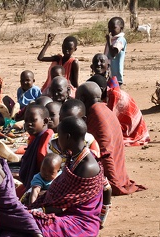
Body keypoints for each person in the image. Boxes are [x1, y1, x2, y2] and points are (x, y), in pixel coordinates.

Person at [76, 82, 146, 223]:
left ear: (83, 99)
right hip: (118, 173)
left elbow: (104, 152)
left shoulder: (96, 114)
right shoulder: (103, 108)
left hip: (111, 177)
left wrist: (112, 183)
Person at [28, 116, 104, 237]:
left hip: (79, 223)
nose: (58, 141)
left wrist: (41, 208)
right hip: (68, 215)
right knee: (23, 217)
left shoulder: (86, 166)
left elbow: (64, 203)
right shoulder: (76, 158)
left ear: (67, 137)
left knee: (27, 221)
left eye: (59, 136)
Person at [47, 98, 100, 165]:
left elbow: (95, 164)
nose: (64, 126)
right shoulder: (52, 141)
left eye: (70, 122)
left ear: (83, 120)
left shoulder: (89, 141)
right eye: (61, 120)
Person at [17, 103, 54, 192]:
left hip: (41, 184)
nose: (28, 124)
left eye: (33, 120)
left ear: (45, 121)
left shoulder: (48, 138)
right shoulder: (34, 137)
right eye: (26, 121)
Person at [104, 76, 150, 147]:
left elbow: (109, 122)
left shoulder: (113, 95)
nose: (98, 64)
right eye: (95, 63)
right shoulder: (110, 90)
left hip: (132, 130)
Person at [37, 33, 80, 99]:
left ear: (75, 49)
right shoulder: (58, 58)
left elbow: (75, 82)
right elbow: (40, 58)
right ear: (62, 46)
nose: (67, 51)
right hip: (53, 87)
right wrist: (48, 43)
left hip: (65, 89)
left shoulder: (74, 62)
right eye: (65, 47)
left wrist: (78, 94)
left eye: (70, 49)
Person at [104, 17, 127, 86]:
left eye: (113, 28)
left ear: (121, 28)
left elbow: (113, 53)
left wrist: (108, 41)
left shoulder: (120, 40)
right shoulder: (113, 39)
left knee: (116, 93)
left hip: (116, 76)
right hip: (109, 74)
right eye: (109, 28)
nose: (110, 30)